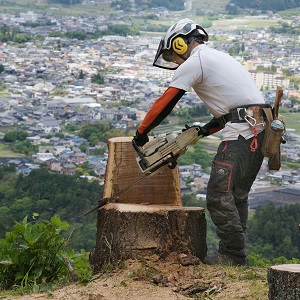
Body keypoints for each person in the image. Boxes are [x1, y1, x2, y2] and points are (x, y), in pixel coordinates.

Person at [132, 18, 270, 266]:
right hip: (259, 130)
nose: (175, 61)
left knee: (218, 195)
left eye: (172, 55)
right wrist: (205, 130)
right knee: (237, 196)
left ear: (180, 44)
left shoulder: (196, 61)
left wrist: (141, 133)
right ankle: (236, 256)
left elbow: (166, 101)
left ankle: (231, 256)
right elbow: (234, 107)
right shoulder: (216, 57)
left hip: (242, 134)